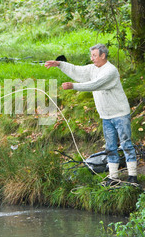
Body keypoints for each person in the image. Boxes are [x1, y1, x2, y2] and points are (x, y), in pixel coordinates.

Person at [45, 44, 138, 186]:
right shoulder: (93, 68)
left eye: (94, 55)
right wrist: (59, 64)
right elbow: (77, 71)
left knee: (126, 144)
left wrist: (73, 86)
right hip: (106, 116)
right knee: (110, 147)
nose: (92, 58)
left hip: (120, 114)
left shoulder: (110, 71)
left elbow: (95, 84)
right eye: (91, 55)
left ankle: (133, 176)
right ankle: (113, 177)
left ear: (103, 55)